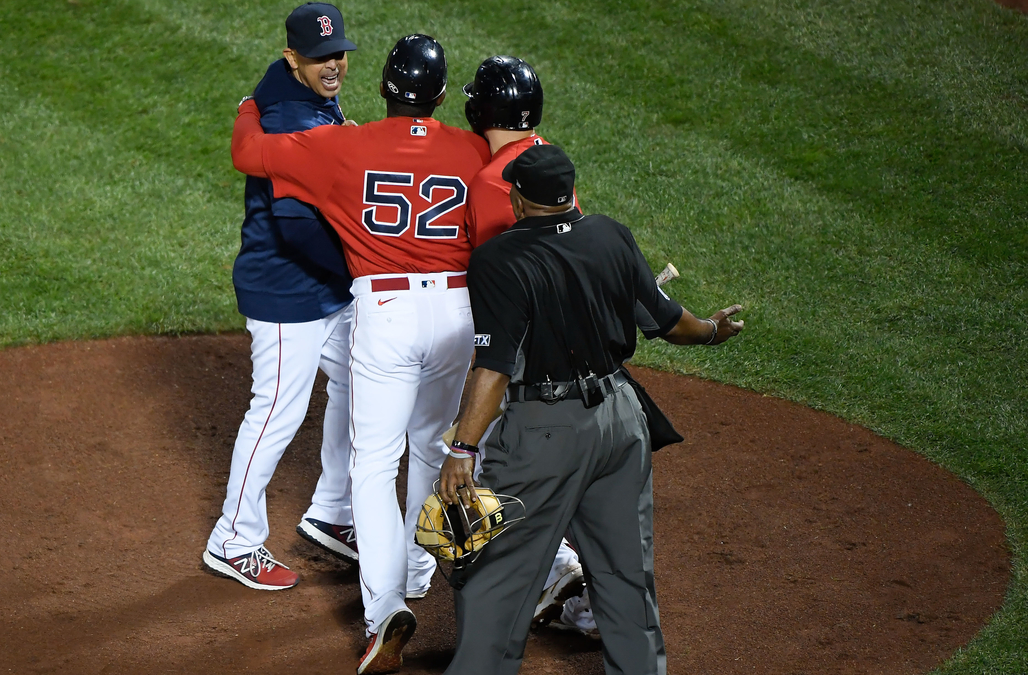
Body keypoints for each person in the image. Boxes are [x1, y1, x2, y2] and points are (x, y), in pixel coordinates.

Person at [231, 34, 491, 674]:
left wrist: (248, 103)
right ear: (437, 96)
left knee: (375, 464)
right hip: (456, 313)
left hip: (385, 312)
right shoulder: (472, 149)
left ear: (382, 88)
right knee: (439, 448)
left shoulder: (345, 143)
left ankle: (385, 610)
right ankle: (421, 569)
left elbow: (249, 153)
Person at [439, 144, 744, 675]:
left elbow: (494, 367)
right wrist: (714, 331)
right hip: (621, 423)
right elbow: (671, 323)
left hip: (545, 435)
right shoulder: (610, 235)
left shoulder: (499, 259)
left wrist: (462, 449)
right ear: (569, 194)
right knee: (627, 575)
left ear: (517, 197)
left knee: (496, 577)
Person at [202, 2, 361, 593]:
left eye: (338, 52)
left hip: (323, 286)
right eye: (320, 57)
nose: (334, 65)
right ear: (294, 57)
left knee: (358, 383)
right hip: (285, 288)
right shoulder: (296, 120)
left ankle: (331, 512)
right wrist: (357, 267)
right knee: (276, 412)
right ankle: (233, 540)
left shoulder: (284, 82)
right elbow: (296, 226)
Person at [459, 54, 587, 633]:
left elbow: (497, 278)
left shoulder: (494, 182)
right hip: (574, 343)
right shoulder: (546, 160)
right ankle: (586, 607)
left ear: (481, 110)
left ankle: (552, 571)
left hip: (525, 351)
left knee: (491, 463)